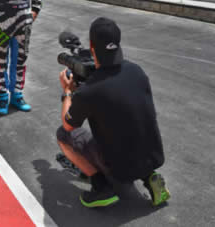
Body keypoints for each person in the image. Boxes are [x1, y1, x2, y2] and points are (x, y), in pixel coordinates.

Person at [56, 17, 170, 208]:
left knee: (63, 134)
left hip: (119, 168)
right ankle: (150, 177)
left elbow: (69, 124)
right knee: (129, 124)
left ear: (92, 47)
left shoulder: (90, 90)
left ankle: (101, 187)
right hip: (151, 156)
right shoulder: (137, 71)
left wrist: (68, 92)